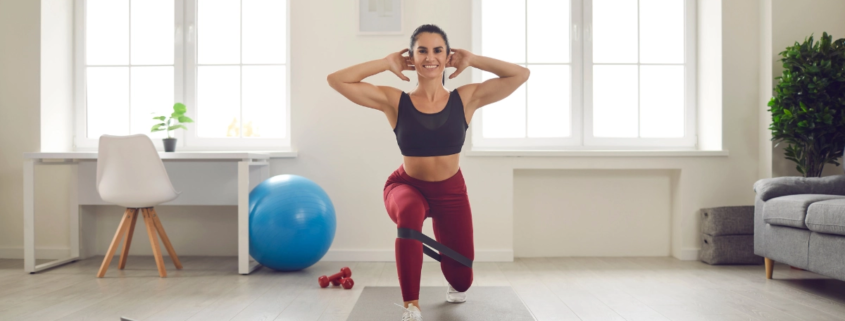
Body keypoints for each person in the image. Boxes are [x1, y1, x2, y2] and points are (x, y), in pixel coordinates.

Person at [327, 24, 529, 321]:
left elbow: (520, 75)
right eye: (422, 50)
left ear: (449, 57)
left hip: (451, 192)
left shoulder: (466, 98)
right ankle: (411, 305)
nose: (430, 57)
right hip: (406, 186)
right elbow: (336, 80)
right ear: (411, 57)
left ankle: (455, 278)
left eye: (438, 50)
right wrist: (385, 63)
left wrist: (472, 59)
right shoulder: (396, 101)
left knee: (462, 282)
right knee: (409, 212)